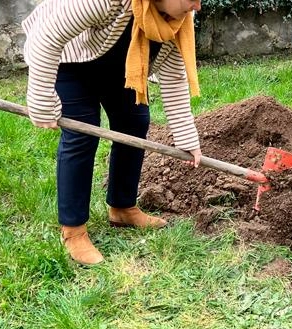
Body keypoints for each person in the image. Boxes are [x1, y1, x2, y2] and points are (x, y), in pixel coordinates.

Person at [22, 0, 203, 265]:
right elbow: (47, 37)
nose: (196, 6)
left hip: (120, 67)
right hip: (71, 59)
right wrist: (40, 99)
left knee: (135, 123)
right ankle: (73, 230)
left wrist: (187, 138)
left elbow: (174, 78)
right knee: (83, 135)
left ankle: (122, 207)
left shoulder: (178, 19)